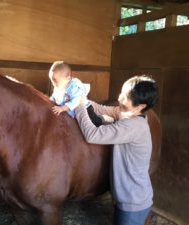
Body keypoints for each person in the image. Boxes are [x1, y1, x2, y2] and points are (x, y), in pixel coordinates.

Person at [74, 75, 158, 225]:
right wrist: (82, 99)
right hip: (128, 198)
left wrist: (78, 106)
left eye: (125, 97)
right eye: (121, 93)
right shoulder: (127, 114)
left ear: (140, 106)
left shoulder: (133, 127)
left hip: (133, 202)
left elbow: (92, 135)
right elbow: (102, 109)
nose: (119, 99)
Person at [49, 61, 111, 126]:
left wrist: (62, 108)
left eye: (55, 81)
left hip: (85, 109)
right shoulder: (58, 87)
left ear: (68, 78)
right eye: (52, 80)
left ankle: (102, 118)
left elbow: (76, 101)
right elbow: (54, 97)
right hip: (70, 111)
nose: (53, 84)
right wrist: (49, 101)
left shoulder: (74, 86)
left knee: (94, 122)